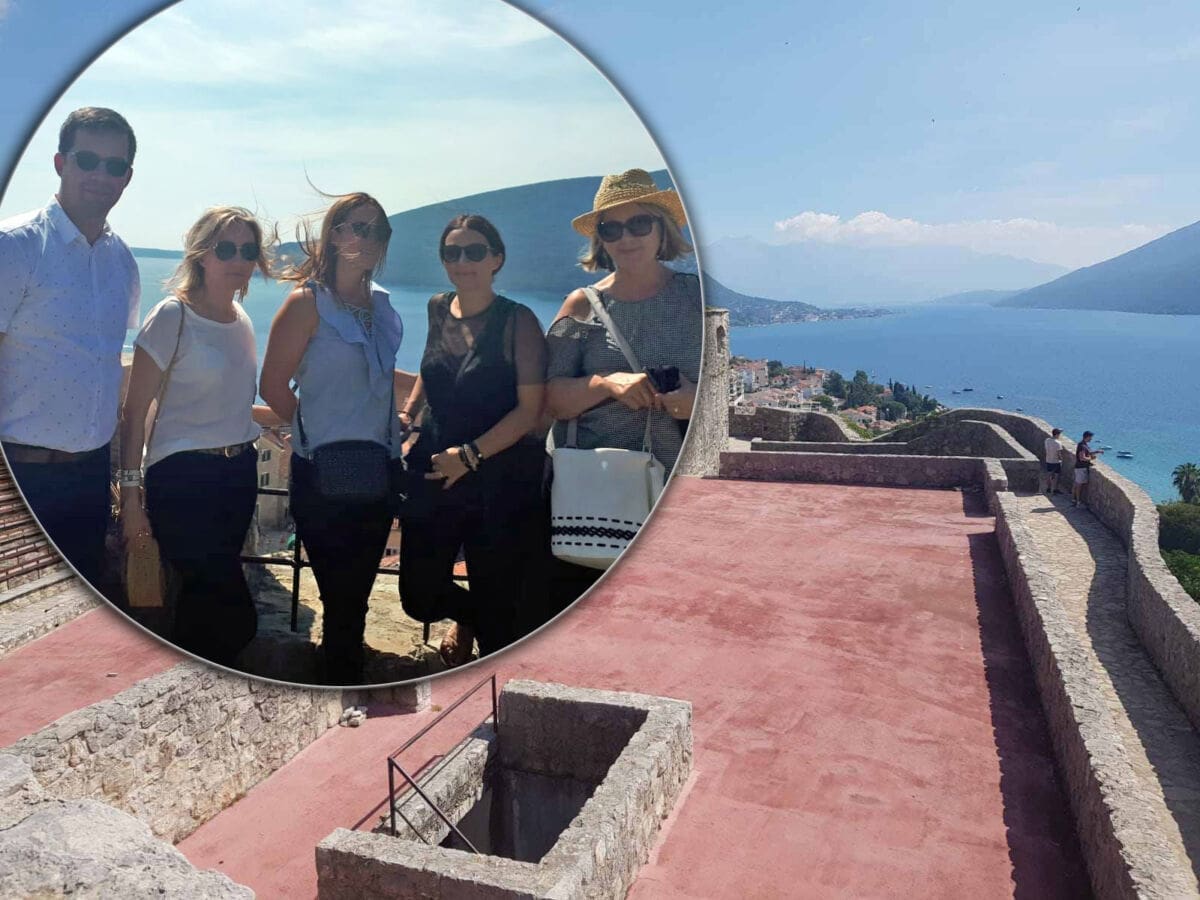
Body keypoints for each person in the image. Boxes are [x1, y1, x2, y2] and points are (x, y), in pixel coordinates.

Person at [118, 207, 281, 666]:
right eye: (225, 248)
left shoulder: (241, 319)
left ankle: (188, 682)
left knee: (201, 600)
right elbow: (135, 412)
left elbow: (231, 403)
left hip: (238, 473)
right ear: (201, 254)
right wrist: (131, 499)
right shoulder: (173, 315)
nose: (238, 259)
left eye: (247, 250)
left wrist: (301, 417)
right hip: (183, 478)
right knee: (232, 609)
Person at [260, 192, 402, 685]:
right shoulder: (307, 303)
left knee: (356, 594)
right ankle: (342, 686)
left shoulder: (382, 305)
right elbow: (272, 386)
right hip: (322, 471)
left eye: (377, 230)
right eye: (357, 226)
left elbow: (379, 377)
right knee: (339, 592)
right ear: (334, 233)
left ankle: (343, 681)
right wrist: (313, 429)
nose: (368, 238)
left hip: (379, 466)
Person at [545, 168, 703, 600]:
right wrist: (605, 383)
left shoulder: (695, 298)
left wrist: (695, 402)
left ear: (661, 227)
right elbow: (551, 399)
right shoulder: (583, 306)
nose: (625, 237)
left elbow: (725, 391)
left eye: (638, 223)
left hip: (678, 488)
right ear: (600, 239)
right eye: (611, 228)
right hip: (600, 491)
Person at [399, 214, 547, 666]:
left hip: (498, 477)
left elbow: (530, 409)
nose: (462, 261)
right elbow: (431, 367)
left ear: (496, 259)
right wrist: (409, 412)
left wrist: (469, 455)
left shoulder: (518, 322)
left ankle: (489, 664)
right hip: (434, 467)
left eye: (474, 251)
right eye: (452, 252)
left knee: (498, 602)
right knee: (419, 594)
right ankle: (471, 617)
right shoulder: (437, 308)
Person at [0, 107, 139, 590]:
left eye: (114, 165)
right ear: (61, 163)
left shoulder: (122, 261)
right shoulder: (15, 247)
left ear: (127, 177)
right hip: (21, 476)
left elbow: (106, 363)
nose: (101, 175)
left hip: (90, 477)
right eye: (87, 160)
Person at [1072, 430, 1103, 507]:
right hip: (1081, 468)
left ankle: (1075, 500)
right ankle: (1077, 502)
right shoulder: (1082, 446)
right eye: (1091, 437)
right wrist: (1091, 458)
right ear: (1087, 437)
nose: (1091, 439)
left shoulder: (1083, 444)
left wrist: (1097, 452)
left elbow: (1088, 453)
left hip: (1080, 467)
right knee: (1079, 485)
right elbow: (1082, 458)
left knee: (1078, 484)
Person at [1043, 427, 1064, 495]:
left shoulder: (1047, 440)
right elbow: (1059, 453)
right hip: (1056, 461)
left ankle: (1048, 488)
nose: (1060, 435)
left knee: (1049, 474)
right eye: (1059, 434)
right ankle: (1055, 489)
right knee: (1057, 476)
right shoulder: (1058, 443)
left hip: (1048, 460)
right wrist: (1061, 460)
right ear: (1057, 434)